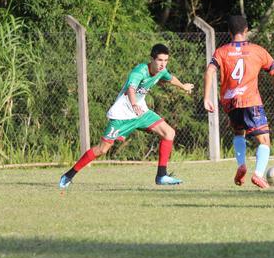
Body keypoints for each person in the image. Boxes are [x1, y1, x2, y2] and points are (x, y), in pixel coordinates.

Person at [59, 43, 194, 189]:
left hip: (141, 113)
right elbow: (131, 88)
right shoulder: (139, 71)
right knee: (102, 149)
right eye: (160, 60)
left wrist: (183, 86)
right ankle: (68, 175)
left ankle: (161, 176)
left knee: (169, 133)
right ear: (152, 59)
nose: (163, 64)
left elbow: (170, 78)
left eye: (166, 60)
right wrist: (134, 104)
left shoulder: (162, 70)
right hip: (122, 115)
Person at [203, 15, 274, 189]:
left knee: (239, 132)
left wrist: (207, 97)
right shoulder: (257, 50)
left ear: (229, 32)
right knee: (264, 141)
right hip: (250, 101)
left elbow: (209, 71)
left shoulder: (221, 51)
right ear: (246, 30)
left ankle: (241, 165)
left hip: (230, 102)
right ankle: (258, 175)